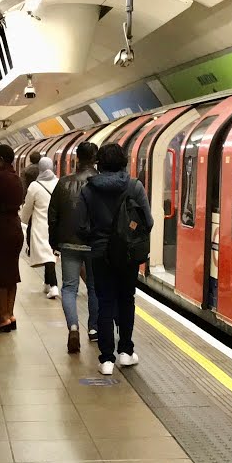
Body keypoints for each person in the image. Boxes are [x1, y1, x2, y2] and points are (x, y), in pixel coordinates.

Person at [79, 143, 154, 375]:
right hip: (129, 254)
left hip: (100, 254)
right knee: (126, 300)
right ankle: (125, 351)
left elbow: (80, 226)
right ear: (123, 162)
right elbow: (148, 222)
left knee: (105, 302)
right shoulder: (135, 186)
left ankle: (106, 359)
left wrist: (96, 238)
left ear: (99, 164)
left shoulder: (88, 190)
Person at [49, 141, 100, 353]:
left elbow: (53, 216)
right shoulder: (101, 183)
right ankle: (94, 329)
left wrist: (54, 242)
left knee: (69, 288)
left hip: (69, 243)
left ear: (77, 158)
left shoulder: (63, 183)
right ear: (96, 159)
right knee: (94, 288)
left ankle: (73, 327)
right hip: (95, 244)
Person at [0, 144, 26, 332]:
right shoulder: (17, 178)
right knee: (11, 274)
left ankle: (3, 319)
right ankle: (10, 314)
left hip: (0, 230)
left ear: (0, 159)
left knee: (0, 276)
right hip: (15, 228)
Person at [21, 156, 60, 298]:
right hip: (55, 224)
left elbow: (27, 207)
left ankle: (54, 286)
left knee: (47, 256)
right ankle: (47, 283)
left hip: (40, 225)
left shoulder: (34, 186)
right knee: (49, 254)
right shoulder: (59, 183)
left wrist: (23, 220)